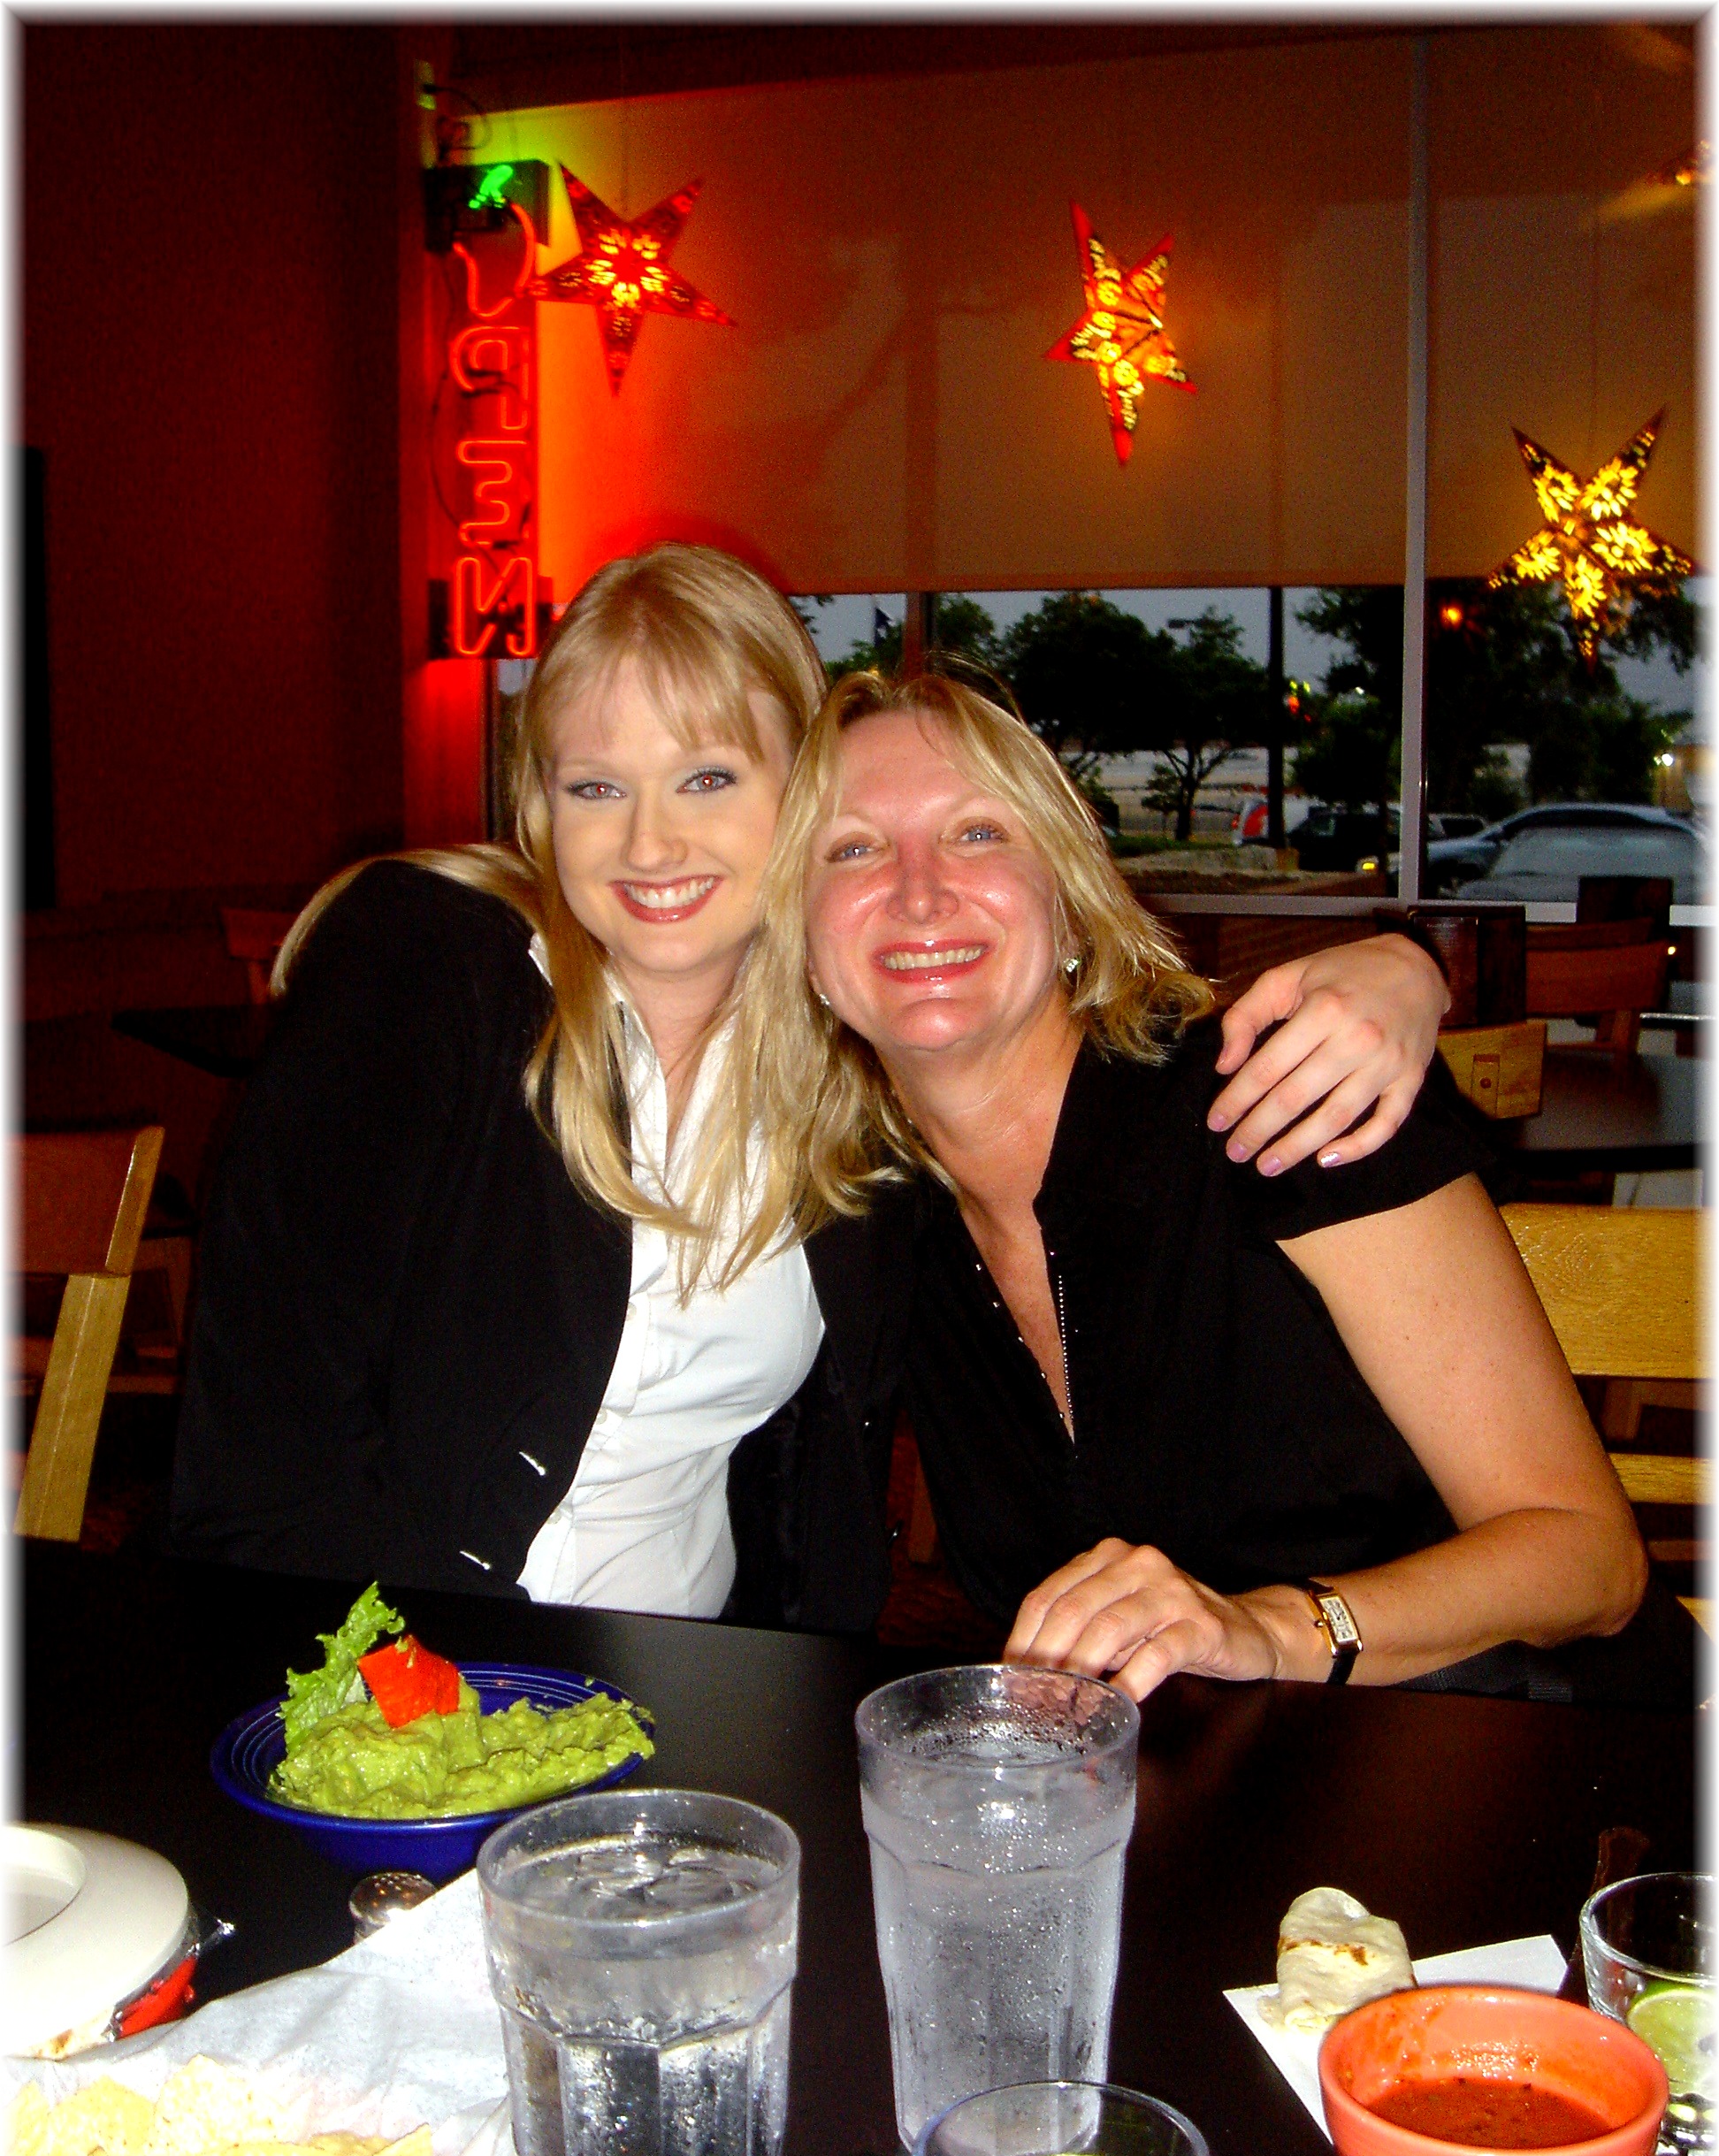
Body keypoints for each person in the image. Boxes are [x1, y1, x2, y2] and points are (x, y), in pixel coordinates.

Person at [169, 547, 1453, 1631]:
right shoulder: (433, 976)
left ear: (798, 797)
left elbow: (814, 1496)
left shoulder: (851, 1082)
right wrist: (431, 1731)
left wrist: (1407, 967)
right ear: (541, 807)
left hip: (695, 1706)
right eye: (596, 786)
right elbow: (262, 1474)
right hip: (391, 1694)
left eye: (709, 777)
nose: (651, 840)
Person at [750, 667, 1650, 1693]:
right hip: (1169, 1770)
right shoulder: (872, 1224)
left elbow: (1592, 1561)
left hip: (1509, 1733)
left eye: (978, 832)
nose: (919, 892)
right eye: (853, 849)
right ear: (805, 945)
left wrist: (1267, 1631)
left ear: (1071, 904)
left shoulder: (1282, 1096)